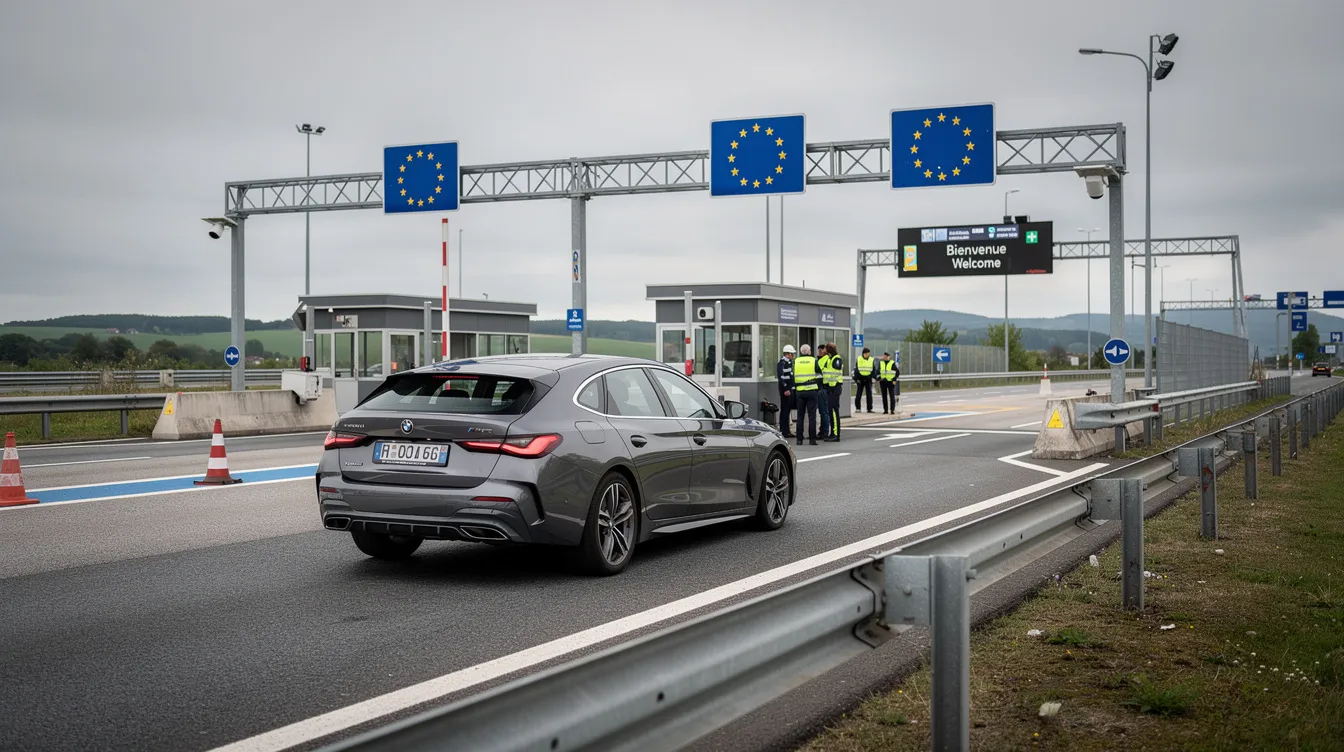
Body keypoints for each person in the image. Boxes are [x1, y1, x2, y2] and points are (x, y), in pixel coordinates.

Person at [791, 344, 820, 445]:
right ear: (808, 351)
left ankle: (799, 439)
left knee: (800, 416)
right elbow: (819, 374)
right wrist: (818, 386)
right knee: (812, 416)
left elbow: (793, 375)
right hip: (812, 390)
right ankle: (812, 439)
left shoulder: (796, 361)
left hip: (800, 391)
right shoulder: (813, 360)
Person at [821, 342, 843, 441]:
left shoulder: (836, 359)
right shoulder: (829, 359)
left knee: (834, 411)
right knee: (830, 410)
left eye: (825, 349)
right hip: (830, 388)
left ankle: (835, 433)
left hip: (835, 388)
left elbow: (834, 371)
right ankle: (832, 433)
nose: (824, 351)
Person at [776, 344, 796, 438]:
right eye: (791, 354)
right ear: (787, 354)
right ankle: (783, 430)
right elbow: (781, 377)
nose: (792, 356)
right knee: (784, 410)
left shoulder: (789, 363)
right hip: (785, 390)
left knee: (787, 411)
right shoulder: (782, 363)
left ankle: (787, 430)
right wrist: (786, 389)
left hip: (789, 390)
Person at [853, 347, 875, 413]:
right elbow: (856, 369)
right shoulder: (859, 359)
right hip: (860, 379)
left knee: (869, 394)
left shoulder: (871, 359)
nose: (868, 354)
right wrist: (857, 379)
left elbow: (873, 369)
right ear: (864, 353)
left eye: (869, 353)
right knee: (859, 394)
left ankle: (869, 408)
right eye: (867, 353)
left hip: (868, 379)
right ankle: (858, 408)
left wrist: (870, 377)